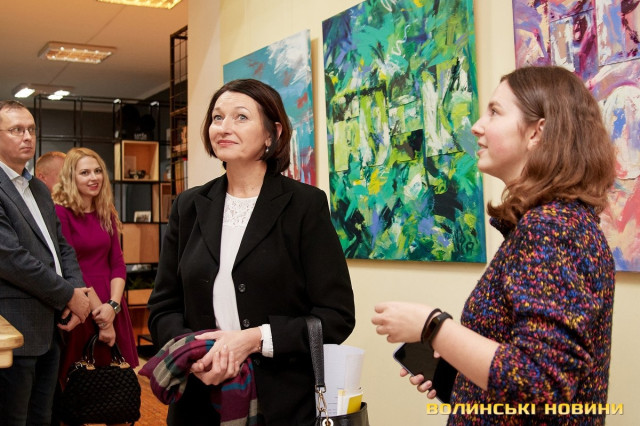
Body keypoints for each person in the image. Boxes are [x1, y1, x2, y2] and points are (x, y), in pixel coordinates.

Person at [371, 66, 616, 425]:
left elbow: (540, 384)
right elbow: (519, 372)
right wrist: (458, 376)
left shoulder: (553, 228)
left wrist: (432, 327)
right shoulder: (547, 225)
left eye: (495, 112)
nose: (476, 126)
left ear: (537, 132)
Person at [148, 78, 355, 425]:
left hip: (280, 405)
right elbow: (163, 307)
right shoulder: (189, 205)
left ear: (272, 133)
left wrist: (256, 339)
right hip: (197, 399)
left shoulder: (304, 205)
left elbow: (336, 316)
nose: (224, 127)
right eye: (217, 117)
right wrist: (195, 354)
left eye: (241, 117)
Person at [0, 100, 92, 425]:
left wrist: (77, 290)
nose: (27, 136)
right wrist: (68, 295)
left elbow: (61, 246)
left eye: (31, 129)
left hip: (52, 327)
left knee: (43, 417)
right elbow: (11, 259)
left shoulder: (38, 188)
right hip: (15, 327)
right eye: (16, 130)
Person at [52, 147, 139, 386]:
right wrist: (103, 318)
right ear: (70, 177)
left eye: (98, 171)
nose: (94, 178)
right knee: (80, 386)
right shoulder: (60, 213)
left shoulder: (105, 212)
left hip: (112, 304)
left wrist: (113, 306)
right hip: (82, 305)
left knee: (118, 386)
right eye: (85, 172)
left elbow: (117, 263)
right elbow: (70, 268)